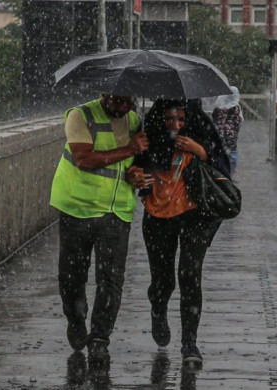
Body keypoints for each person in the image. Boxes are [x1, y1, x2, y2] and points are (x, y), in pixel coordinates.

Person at [50, 94, 152, 365]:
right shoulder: (80, 116)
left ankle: (99, 339)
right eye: (118, 101)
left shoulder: (135, 121)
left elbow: (134, 166)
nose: (123, 107)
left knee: (111, 280)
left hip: (116, 211)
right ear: (105, 94)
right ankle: (75, 319)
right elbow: (83, 159)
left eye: (128, 102)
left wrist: (136, 175)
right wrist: (130, 150)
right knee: (71, 276)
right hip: (78, 207)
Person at [131, 99, 230, 366]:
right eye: (170, 119)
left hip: (195, 216)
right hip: (158, 217)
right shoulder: (149, 138)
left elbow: (224, 167)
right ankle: (159, 307)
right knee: (163, 279)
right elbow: (134, 167)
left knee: (190, 276)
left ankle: (190, 344)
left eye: (182, 120)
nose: (176, 125)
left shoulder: (202, 135)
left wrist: (199, 150)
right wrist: (135, 175)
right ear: (159, 119)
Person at [212, 86, 243, 178]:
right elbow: (238, 123)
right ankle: (229, 177)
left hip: (219, 141)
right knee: (231, 159)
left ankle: (222, 176)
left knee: (220, 159)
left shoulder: (217, 109)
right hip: (231, 141)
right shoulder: (236, 109)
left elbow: (214, 122)